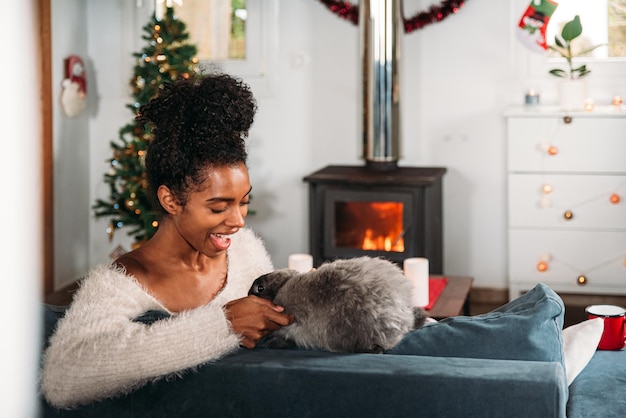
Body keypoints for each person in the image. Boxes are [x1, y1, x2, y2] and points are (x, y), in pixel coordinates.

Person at [41, 73, 294, 409]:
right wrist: (223, 324)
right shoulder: (122, 282)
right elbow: (62, 378)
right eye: (218, 207)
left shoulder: (246, 249)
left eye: (244, 201)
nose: (238, 221)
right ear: (171, 201)